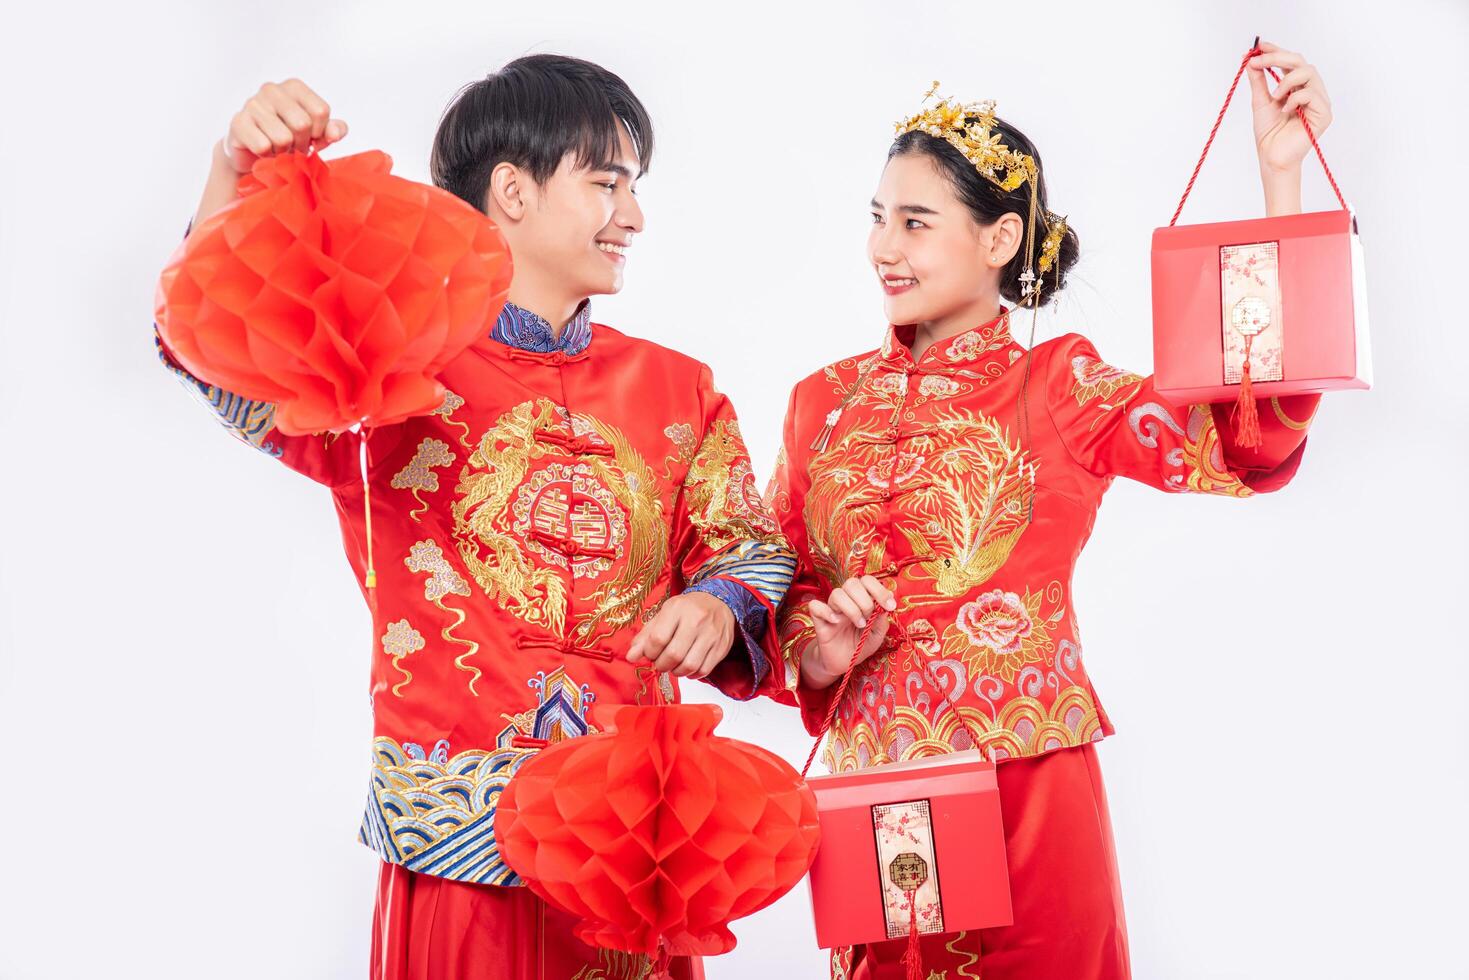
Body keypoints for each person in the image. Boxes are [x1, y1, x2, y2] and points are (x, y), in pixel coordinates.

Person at [155, 54, 795, 979]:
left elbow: (749, 545)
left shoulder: (676, 387)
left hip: (636, 846)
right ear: (513, 191)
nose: (634, 216)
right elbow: (217, 354)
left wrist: (715, 604)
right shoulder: (387, 373)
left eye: (634, 187)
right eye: (606, 183)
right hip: (457, 840)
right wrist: (233, 171)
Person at [765, 41, 1331, 979]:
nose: (882, 248)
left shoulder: (1057, 383)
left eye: (914, 222)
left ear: (997, 239)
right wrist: (820, 649)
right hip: (875, 794)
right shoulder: (819, 402)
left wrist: (1282, 178)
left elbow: (1241, 438)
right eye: (876, 219)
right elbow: (783, 600)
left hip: (1023, 788)